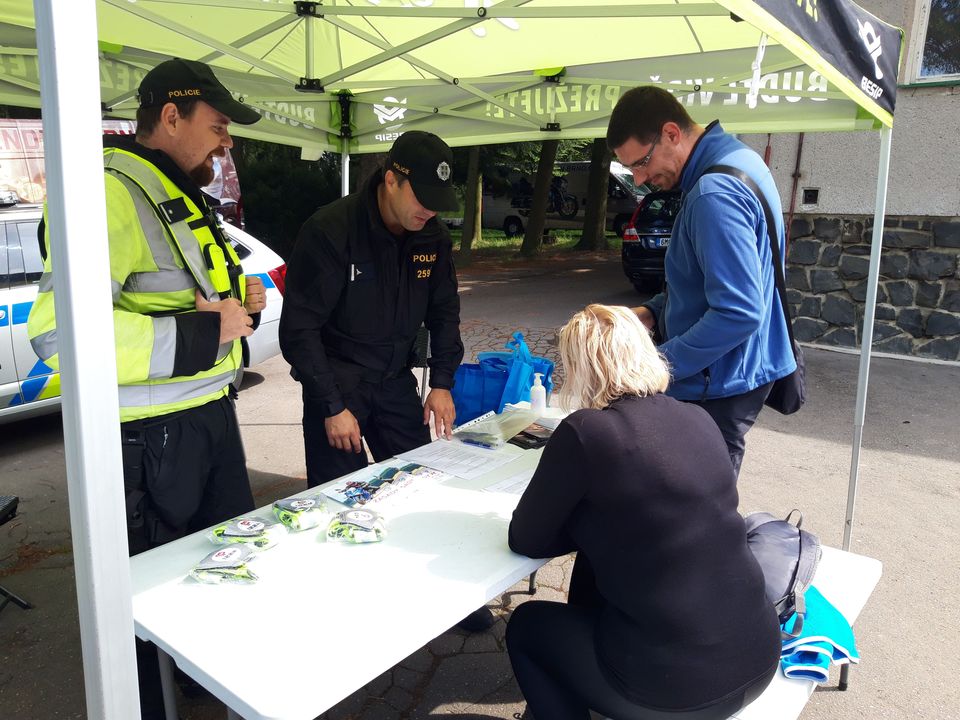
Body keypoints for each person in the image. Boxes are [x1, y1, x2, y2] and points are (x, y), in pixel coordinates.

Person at [27, 58, 265, 720]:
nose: (227, 143)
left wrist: (237, 308)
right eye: (218, 126)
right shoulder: (108, 193)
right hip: (150, 441)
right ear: (170, 116)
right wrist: (204, 330)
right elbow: (59, 335)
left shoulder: (173, 189)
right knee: (149, 605)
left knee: (222, 571)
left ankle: (205, 683)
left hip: (208, 419)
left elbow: (184, 300)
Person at [506, 304, 780, 720]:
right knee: (596, 565)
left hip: (678, 690)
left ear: (580, 367)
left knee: (527, 626)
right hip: (758, 656)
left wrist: (577, 520)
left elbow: (525, 539)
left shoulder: (587, 431)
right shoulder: (698, 417)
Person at [606, 86, 796, 477]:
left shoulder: (713, 193)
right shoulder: (737, 159)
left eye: (641, 162)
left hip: (719, 384)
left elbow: (739, 312)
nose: (640, 179)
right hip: (734, 373)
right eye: (631, 169)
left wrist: (655, 365)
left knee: (694, 503)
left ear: (671, 133)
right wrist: (651, 312)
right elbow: (709, 280)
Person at [279, 130, 463, 488]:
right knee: (339, 495)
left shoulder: (432, 236)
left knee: (420, 482)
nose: (431, 210)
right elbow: (299, 329)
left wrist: (442, 383)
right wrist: (331, 405)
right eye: (423, 198)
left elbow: (444, 311)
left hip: (394, 380)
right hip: (338, 383)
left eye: (438, 200)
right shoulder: (331, 230)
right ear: (391, 180)